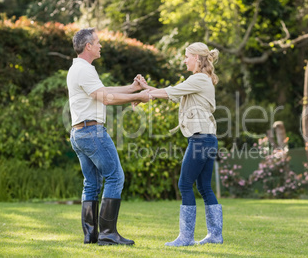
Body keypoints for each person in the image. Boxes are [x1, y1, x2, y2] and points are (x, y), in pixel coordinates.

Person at [67, 28, 149, 246]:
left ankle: (91, 234)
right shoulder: (84, 70)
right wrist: (139, 95)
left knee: (91, 183)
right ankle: (107, 233)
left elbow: (104, 90)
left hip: (79, 133)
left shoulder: (80, 69)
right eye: (98, 42)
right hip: (91, 132)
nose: (101, 45)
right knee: (115, 176)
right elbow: (107, 98)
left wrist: (132, 89)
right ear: (88, 46)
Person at [136, 42, 223, 247]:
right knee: (203, 186)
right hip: (208, 139)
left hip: (201, 139)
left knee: (184, 184)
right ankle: (215, 235)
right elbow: (173, 93)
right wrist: (147, 89)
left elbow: (169, 92)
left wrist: (142, 95)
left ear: (197, 58)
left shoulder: (199, 79)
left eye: (187, 56)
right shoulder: (200, 80)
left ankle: (186, 238)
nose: (184, 60)